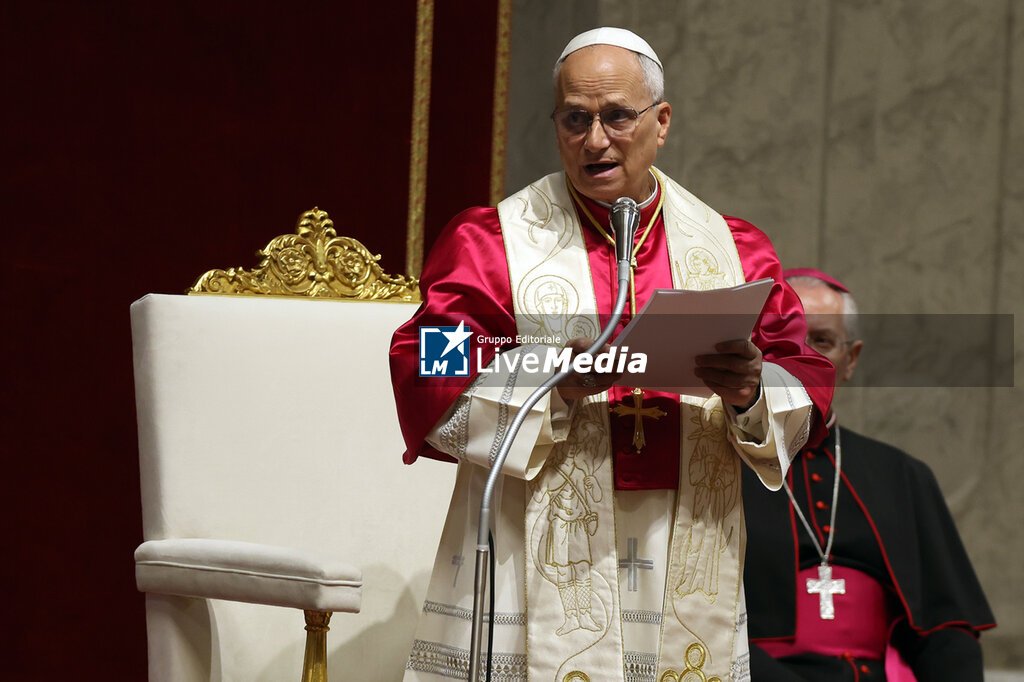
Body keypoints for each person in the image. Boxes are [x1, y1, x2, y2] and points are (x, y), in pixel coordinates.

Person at [390, 27, 834, 682]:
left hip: (683, 540)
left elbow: (802, 368)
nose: (594, 140)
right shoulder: (493, 244)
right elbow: (429, 359)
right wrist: (551, 381)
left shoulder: (732, 249)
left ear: (661, 122)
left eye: (616, 117)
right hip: (540, 548)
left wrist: (750, 393)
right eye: (575, 119)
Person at [742, 268, 996, 681]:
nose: (804, 356)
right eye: (784, 341)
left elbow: (947, 630)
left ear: (851, 359)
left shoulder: (902, 475)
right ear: (758, 352)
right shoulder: (711, 471)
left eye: (821, 341)